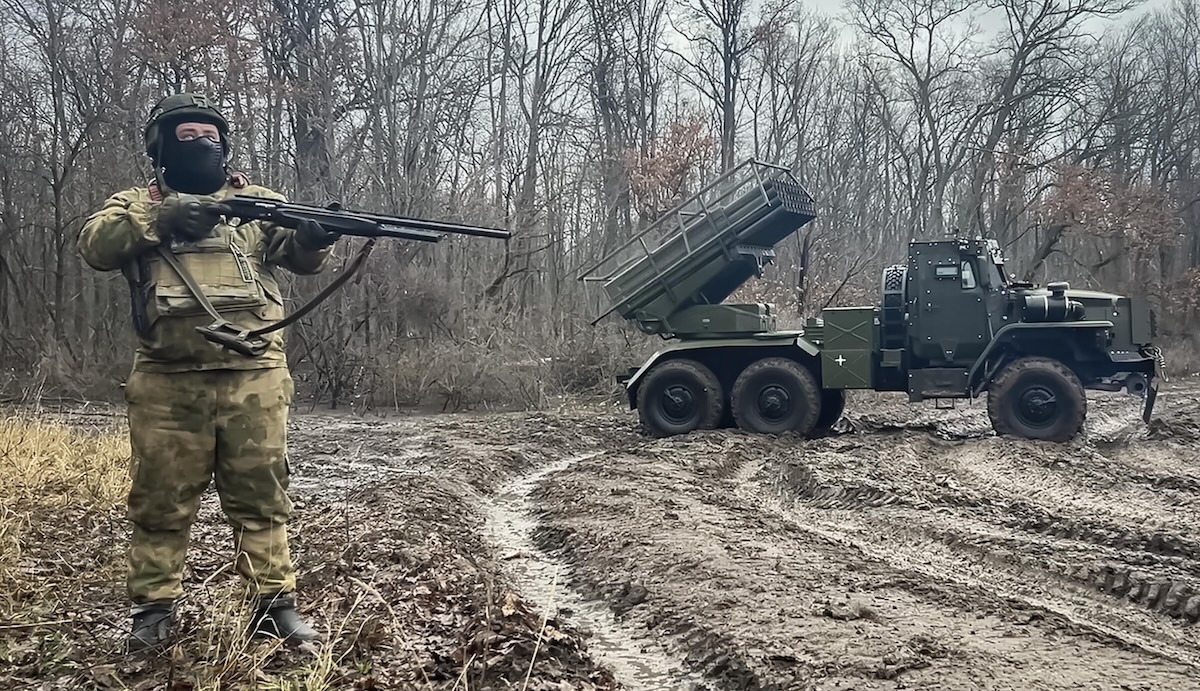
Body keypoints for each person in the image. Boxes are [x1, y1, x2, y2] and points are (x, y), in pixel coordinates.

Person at [77, 93, 341, 652]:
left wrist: (316, 238)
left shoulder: (258, 202)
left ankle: (274, 607)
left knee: (263, 496)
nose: (201, 146)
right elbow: (95, 246)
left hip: (255, 377)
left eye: (210, 137)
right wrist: (162, 217)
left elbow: (299, 256)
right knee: (159, 501)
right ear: (160, 149)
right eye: (186, 137)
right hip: (168, 382)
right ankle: (152, 612)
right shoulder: (134, 203)